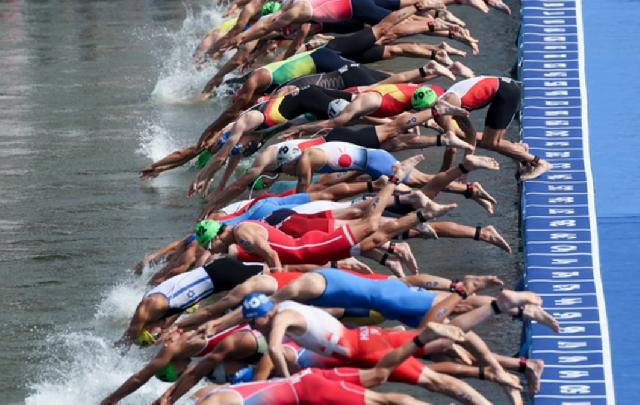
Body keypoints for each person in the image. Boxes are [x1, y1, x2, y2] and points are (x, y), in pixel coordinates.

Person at [193, 156, 459, 270]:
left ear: (216, 237)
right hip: (304, 234)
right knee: (367, 228)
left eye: (212, 246)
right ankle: (415, 216)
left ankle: (399, 187)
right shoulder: (242, 226)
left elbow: (273, 255)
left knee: (367, 222)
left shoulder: (242, 234)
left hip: (311, 241)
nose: (214, 250)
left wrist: (278, 287)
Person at [172, 321, 467, 405]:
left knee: (384, 396)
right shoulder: (212, 394)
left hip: (309, 389)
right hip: (305, 381)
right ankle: (420, 339)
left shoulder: (216, 398)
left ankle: (422, 339)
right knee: (378, 377)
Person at [436, 76, 552, 180]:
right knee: (488, 140)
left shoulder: (444, 109)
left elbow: (451, 149)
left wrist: (442, 178)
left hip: (505, 93)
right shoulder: (446, 100)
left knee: (491, 142)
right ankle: (519, 151)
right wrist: (466, 167)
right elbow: (470, 134)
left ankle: (539, 163)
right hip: (502, 89)